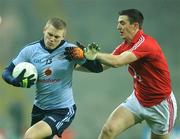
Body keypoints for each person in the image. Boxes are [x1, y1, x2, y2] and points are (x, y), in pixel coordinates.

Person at [65, 9, 177, 139]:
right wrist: (74, 65)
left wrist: (91, 54)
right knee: (108, 130)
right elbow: (100, 67)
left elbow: (117, 61)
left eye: (122, 23)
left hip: (161, 105)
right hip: (138, 99)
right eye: (118, 23)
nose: (118, 27)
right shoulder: (124, 46)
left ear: (135, 25)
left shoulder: (146, 43)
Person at [2, 17, 102, 139]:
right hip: (39, 108)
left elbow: (96, 69)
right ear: (44, 30)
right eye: (50, 34)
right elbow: (7, 71)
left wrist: (88, 59)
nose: (52, 39)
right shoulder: (30, 50)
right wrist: (14, 81)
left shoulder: (71, 51)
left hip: (62, 110)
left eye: (57, 37)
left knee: (30, 136)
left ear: (63, 37)